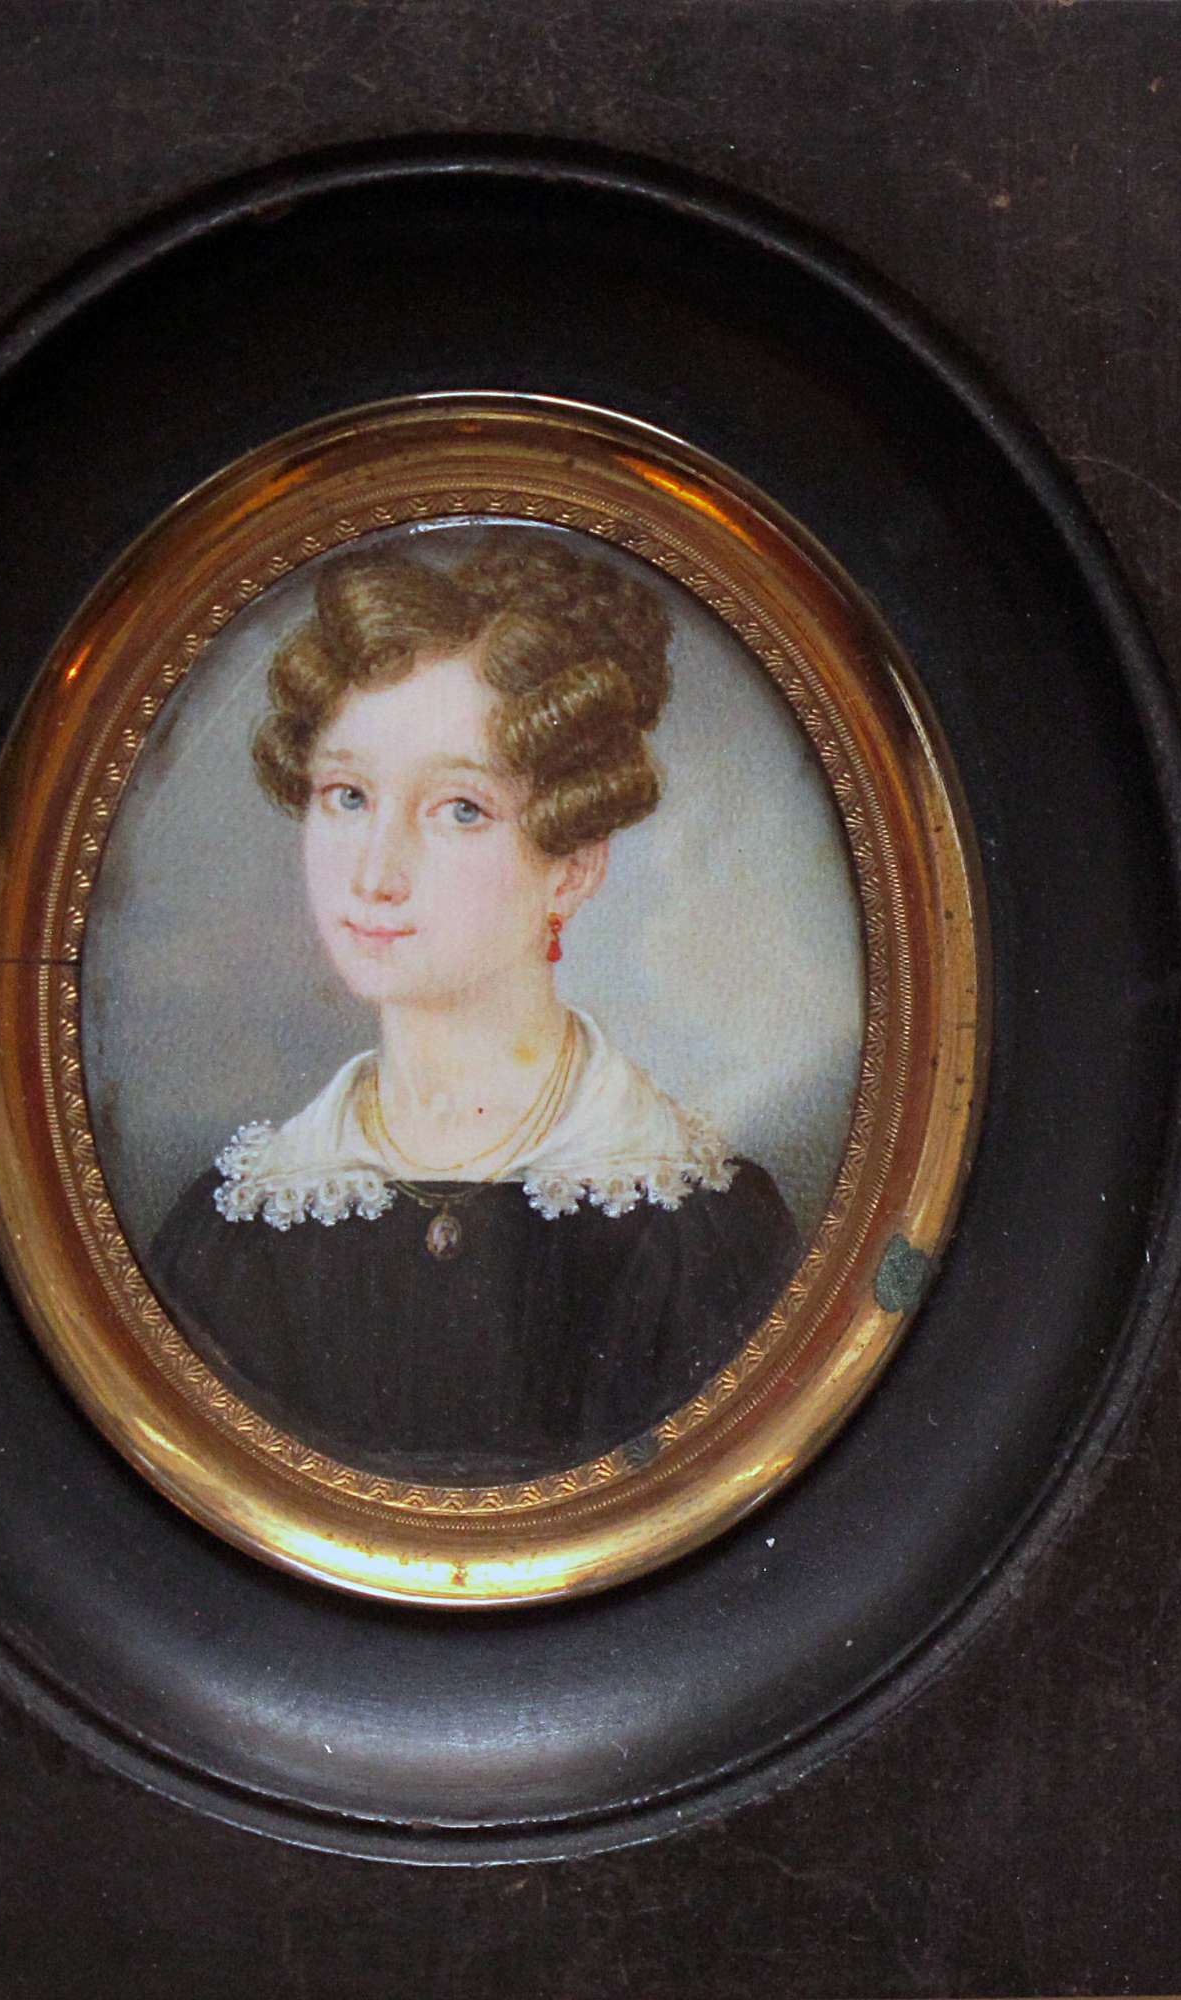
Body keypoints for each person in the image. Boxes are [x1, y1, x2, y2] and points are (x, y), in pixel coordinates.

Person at [148, 531, 804, 1484]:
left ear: (572, 866)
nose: (375, 874)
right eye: (347, 796)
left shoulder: (700, 1232)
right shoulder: (233, 1232)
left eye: (460, 808)